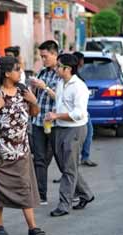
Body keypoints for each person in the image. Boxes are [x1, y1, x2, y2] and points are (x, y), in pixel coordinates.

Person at [0, 56, 45, 235]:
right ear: (6, 73)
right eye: (17, 69)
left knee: (24, 187)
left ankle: (32, 227)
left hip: (21, 149)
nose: (20, 72)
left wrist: (33, 101)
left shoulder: (23, 91)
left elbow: (34, 115)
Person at [45, 54, 95, 217]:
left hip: (75, 129)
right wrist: (54, 113)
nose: (56, 68)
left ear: (67, 69)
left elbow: (79, 114)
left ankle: (64, 204)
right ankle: (86, 194)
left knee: (68, 168)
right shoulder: (61, 82)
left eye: (59, 66)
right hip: (60, 127)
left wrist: (57, 116)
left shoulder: (79, 86)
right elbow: (61, 102)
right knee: (65, 165)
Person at [30, 40, 61, 205]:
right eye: (41, 57)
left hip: (54, 123)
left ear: (55, 54)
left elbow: (61, 99)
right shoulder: (43, 72)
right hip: (38, 121)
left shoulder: (62, 73)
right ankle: (41, 195)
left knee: (61, 157)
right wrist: (33, 88)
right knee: (39, 159)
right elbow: (37, 96)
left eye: (45, 56)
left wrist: (44, 87)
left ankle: (79, 191)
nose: (43, 60)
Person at [73, 51, 97, 167]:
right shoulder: (76, 77)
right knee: (87, 133)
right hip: (79, 111)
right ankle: (83, 158)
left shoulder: (75, 75)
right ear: (79, 61)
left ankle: (82, 157)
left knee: (87, 132)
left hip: (80, 110)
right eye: (82, 60)